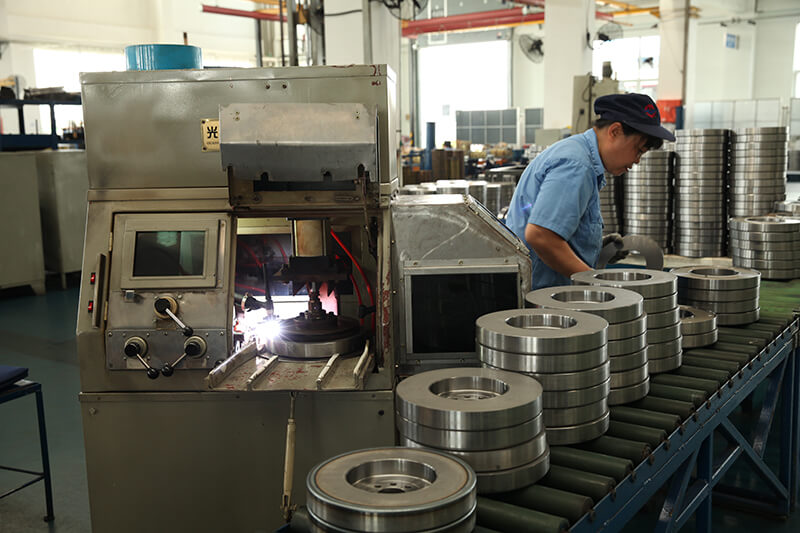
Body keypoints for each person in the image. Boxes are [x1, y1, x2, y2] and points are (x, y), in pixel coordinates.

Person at [505, 93, 676, 290]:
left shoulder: (578, 154)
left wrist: (596, 247)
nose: (637, 160)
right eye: (638, 150)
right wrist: (595, 283)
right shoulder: (577, 165)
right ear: (615, 131)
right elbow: (541, 235)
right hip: (541, 295)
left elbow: (552, 230)